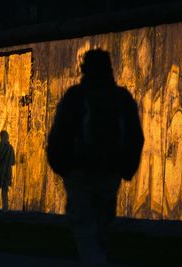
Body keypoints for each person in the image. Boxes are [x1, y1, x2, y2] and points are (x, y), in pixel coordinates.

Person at [47, 49, 144, 265]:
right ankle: (99, 255)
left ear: (84, 69)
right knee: (103, 221)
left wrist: (63, 167)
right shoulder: (122, 98)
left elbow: (60, 133)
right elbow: (135, 136)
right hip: (111, 170)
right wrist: (126, 168)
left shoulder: (76, 96)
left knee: (82, 223)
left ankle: (93, 260)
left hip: (79, 170)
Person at [0, 131, 15, 211]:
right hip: (6, 172)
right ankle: (5, 207)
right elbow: (13, 162)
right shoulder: (10, 148)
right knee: (4, 192)